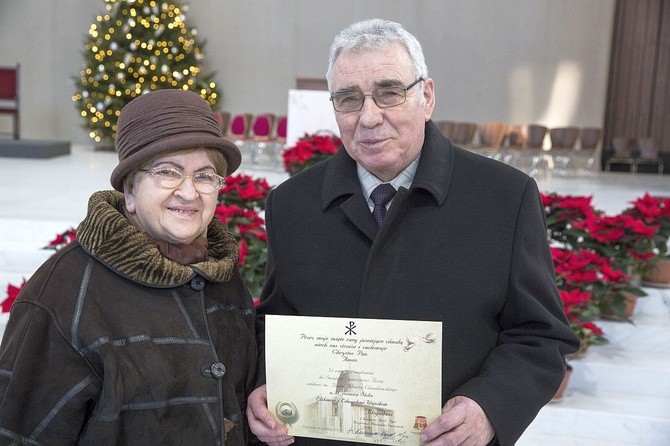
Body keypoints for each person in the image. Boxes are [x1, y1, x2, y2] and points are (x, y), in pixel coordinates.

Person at [247, 19, 580, 446]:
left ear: (426, 96)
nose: (369, 117)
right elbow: (275, 323)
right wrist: (262, 385)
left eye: (389, 92)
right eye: (349, 100)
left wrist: (488, 409)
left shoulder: (504, 198)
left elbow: (539, 335)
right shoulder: (292, 204)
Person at [0, 89, 258, 445]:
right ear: (131, 192)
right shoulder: (64, 293)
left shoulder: (220, 273)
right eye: (168, 172)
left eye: (204, 176)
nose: (189, 193)